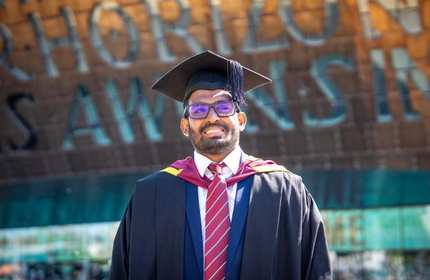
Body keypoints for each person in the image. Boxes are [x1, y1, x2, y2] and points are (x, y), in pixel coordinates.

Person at [109, 50, 331, 280]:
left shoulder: (286, 190)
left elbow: (315, 270)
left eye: (224, 107)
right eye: (198, 110)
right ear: (185, 126)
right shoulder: (152, 194)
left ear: (241, 120)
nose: (212, 117)